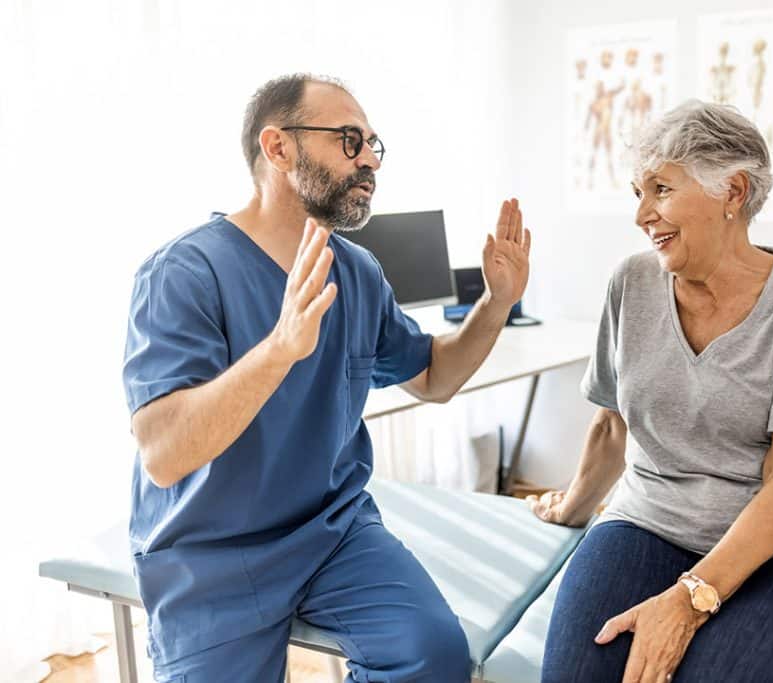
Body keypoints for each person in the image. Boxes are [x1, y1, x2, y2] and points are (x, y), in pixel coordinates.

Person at [122, 73, 531, 682]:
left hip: (331, 533)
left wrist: (496, 304)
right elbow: (164, 454)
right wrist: (280, 349)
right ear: (278, 148)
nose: (369, 159)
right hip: (211, 555)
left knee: (432, 654)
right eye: (348, 139)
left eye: (372, 144)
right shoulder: (184, 272)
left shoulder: (358, 272)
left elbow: (434, 377)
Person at [528, 100, 773, 682]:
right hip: (650, 522)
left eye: (660, 189)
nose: (642, 213)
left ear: (733, 192)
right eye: (637, 192)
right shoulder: (631, 282)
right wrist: (571, 507)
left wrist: (688, 600)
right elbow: (614, 423)